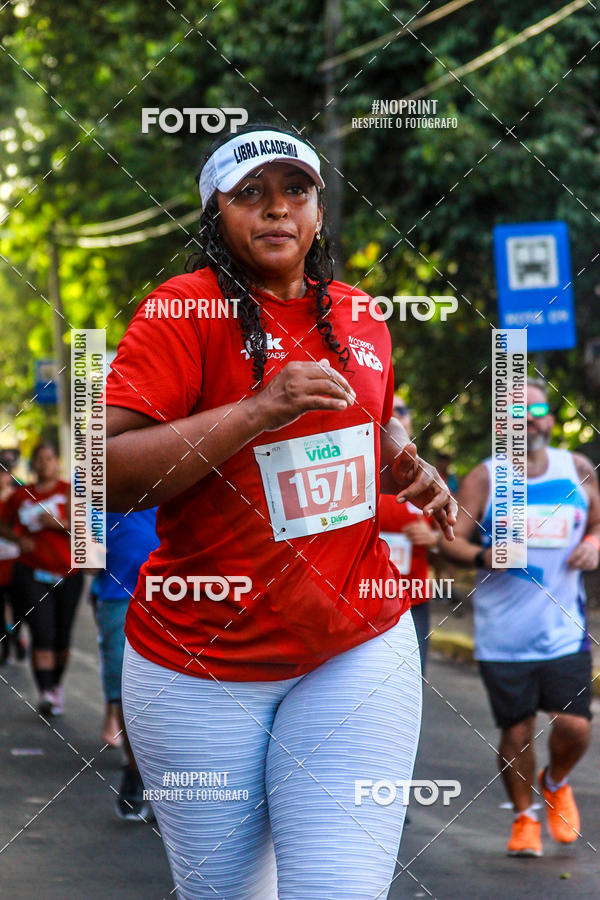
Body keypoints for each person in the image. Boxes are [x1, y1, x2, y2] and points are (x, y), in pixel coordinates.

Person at [105, 122, 456, 899]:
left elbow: (371, 427)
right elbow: (110, 473)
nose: (276, 210)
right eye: (250, 195)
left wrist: (403, 464)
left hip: (356, 641)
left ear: (319, 212)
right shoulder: (179, 311)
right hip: (201, 658)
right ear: (216, 216)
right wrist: (258, 408)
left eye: (295, 191)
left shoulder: (361, 315)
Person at [440, 378, 599, 858]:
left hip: (562, 630)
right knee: (517, 731)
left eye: (538, 410)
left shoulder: (577, 468)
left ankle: (557, 781)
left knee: (575, 727)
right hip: (502, 635)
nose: (528, 419)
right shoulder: (485, 477)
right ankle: (525, 818)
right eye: (516, 414)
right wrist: (484, 556)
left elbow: (597, 524)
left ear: (551, 418)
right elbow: (450, 540)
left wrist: (593, 543)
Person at [0, 443, 83, 715]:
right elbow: (3, 523)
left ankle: (56, 685)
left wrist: (57, 523)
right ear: (33, 464)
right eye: (39, 459)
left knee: (62, 634)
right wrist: (18, 540)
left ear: (57, 463)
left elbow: (87, 530)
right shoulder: (21, 496)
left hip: (68, 574)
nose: (45, 463)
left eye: (49, 458)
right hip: (31, 572)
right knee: (42, 631)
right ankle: (46, 691)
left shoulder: (70, 492)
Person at [92, 507, 159, 820]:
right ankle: (134, 773)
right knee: (126, 685)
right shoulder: (93, 470)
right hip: (119, 594)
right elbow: (88, 562)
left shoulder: (179, 457)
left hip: (178, 591)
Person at [379, 399, 440, 673]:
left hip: (413, 599)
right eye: (387, 413)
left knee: (413, 680)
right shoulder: (359, 475)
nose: (395, 417)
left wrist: (435, 541)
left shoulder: (428, 480)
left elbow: (453, 541)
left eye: (401, 410)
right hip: (365, 597)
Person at [0, 454, 22, 664]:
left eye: (3, 473)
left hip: (15, 560)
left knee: (17, 604)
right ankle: (6, 647)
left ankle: (16, 635)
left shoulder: (18, 498)